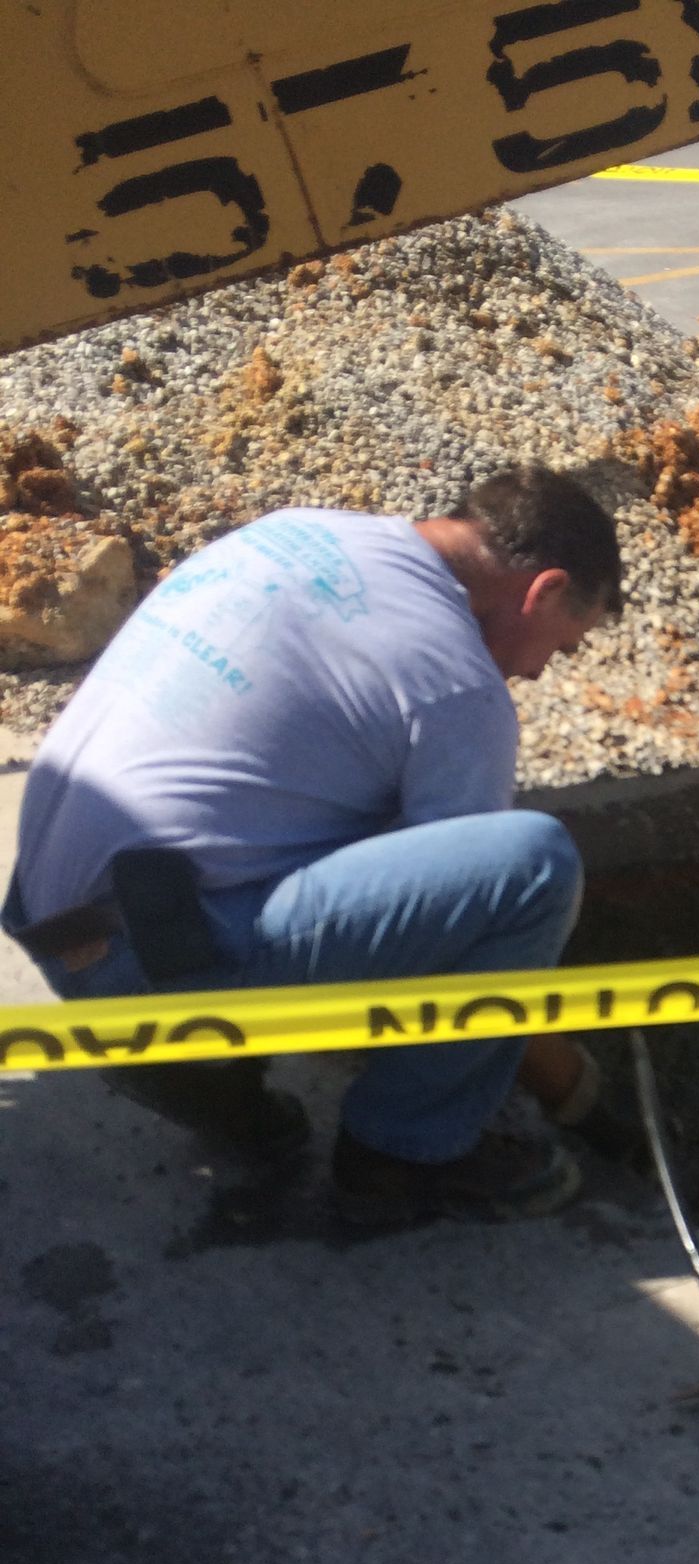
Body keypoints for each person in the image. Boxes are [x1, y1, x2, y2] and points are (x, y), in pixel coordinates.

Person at [3, 463, 631, 1223]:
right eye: (559, 647)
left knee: (361, 806)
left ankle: (213, 1074)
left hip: (47, 910)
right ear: (544, 590)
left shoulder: (298, 532)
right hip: (140, 966)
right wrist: (582, 1097)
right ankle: (401, 1155)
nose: (536, 670)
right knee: (531, 868)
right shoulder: (458, 687)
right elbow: (462, 928)